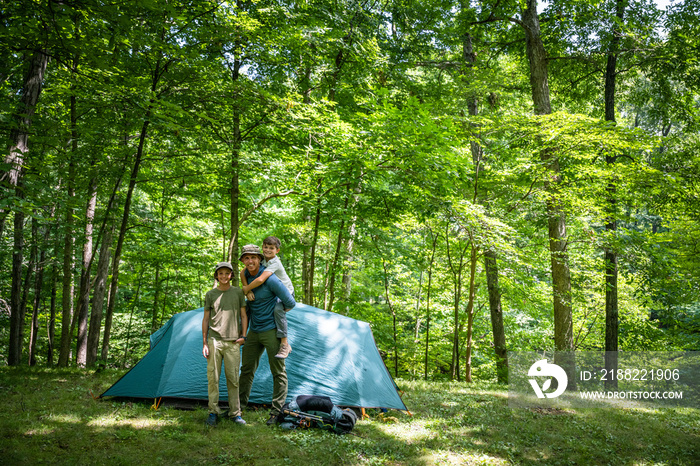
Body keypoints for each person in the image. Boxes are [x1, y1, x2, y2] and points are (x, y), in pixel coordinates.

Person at [237, 244, 296, 426]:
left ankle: (276, 412)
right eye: (246, 258)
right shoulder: (246, 276)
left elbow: (290, 302)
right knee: (246, 370)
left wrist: (276, 311)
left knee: (278, 372)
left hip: (271, 332)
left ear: (260, 259)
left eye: (253, 257)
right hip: (254, 331)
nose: (250, 261)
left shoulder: (270, 279)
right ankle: (237, 409)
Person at [202, 261, 248, 427]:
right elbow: (206, 319)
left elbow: (243, 315)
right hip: (214, 340)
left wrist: (243, 335)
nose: (223, 276)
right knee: (213, 378)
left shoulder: (237, 293)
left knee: (233, 379)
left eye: (226, 273)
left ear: (231, 275)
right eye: (220, 273)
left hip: (233, 342)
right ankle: (213, 412)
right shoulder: (210, 294)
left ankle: (235, 413)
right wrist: (205, 342)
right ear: (216, 275)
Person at [239, 236, 294, 359]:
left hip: (287, 292)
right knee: (246, 306)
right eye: (265, 247)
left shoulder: (275, 262)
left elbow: (261, 279)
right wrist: (246, 289)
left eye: (271, 248)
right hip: (275, 294)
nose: (268, 250)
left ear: (277, 251)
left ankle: (285, 343)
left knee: (278, 310)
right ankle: (240, 334)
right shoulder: (263, 261)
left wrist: (246, 289)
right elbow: (242, 272)